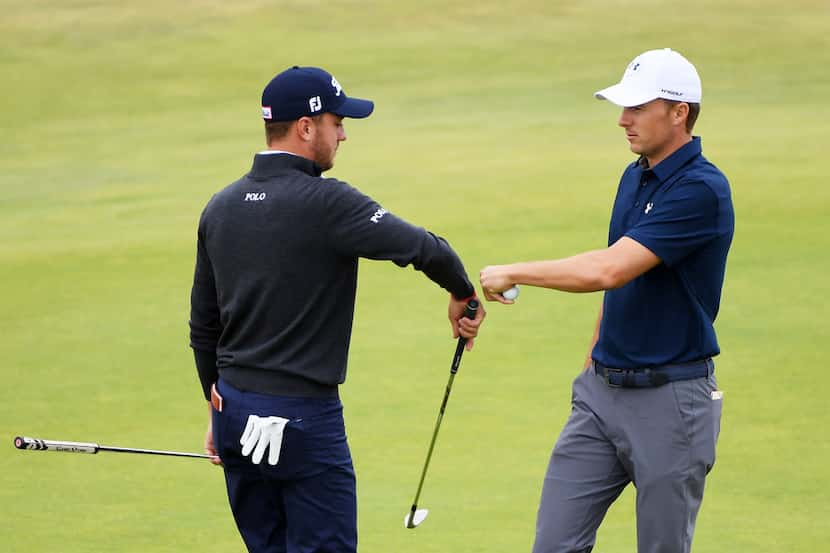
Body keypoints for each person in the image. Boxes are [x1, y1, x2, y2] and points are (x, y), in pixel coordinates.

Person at [189, 65, 485, 553]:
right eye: (337, 122)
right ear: (306, 128)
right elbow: (426, 249)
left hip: (237, 413)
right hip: (304, 418)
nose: (344, 134)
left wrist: (217, 409)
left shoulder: (220, 206)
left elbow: (204, 328)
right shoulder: (328, 203)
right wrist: (462, 293)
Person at [480, 48, 734, 553]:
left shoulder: (702, 190)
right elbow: (621, 278)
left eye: (638, 108)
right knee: (554, 544)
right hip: (601, 397)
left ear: (679, 112)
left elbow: (607, 269)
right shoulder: (635, 175)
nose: (623, 120)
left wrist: (515, 271)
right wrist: (592, 363)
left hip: (671, 402)